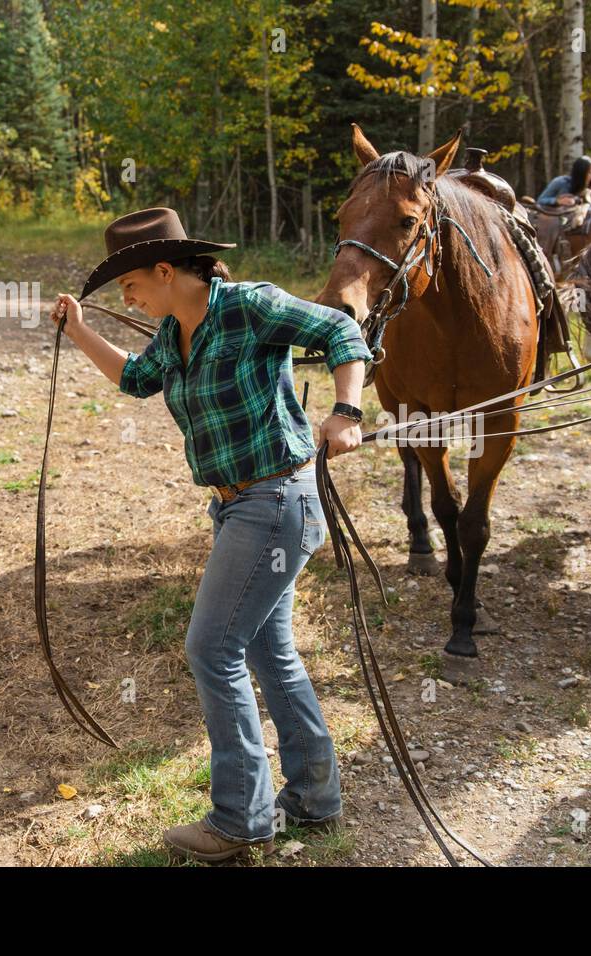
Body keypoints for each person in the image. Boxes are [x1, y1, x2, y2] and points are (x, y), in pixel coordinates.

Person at [52, 207, 372, 862]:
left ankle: (240, 819)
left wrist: (346, 410)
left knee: (212, 647)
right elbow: (136, 379)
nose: (129, 299)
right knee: (265, 650)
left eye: (130, 286)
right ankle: (312, 798)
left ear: (165, 271)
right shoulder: (175, 335)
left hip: (276, 499)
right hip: (238, 508)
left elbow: (341, 330)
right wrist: (80, 332)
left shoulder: (250, 307)